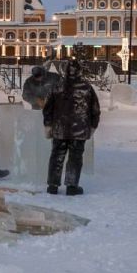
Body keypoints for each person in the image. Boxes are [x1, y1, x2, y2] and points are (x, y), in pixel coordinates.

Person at [43, 59, 101, 195]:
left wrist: (48, 124)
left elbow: (47, 108)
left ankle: (52, 185)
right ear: (80, 71)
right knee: (75, 157)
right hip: (79, 130)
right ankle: (71, 186)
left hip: (59, 129)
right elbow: (95, 110)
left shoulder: (57, 87)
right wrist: (93, 126)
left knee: (57, 155)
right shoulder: (86, 88)